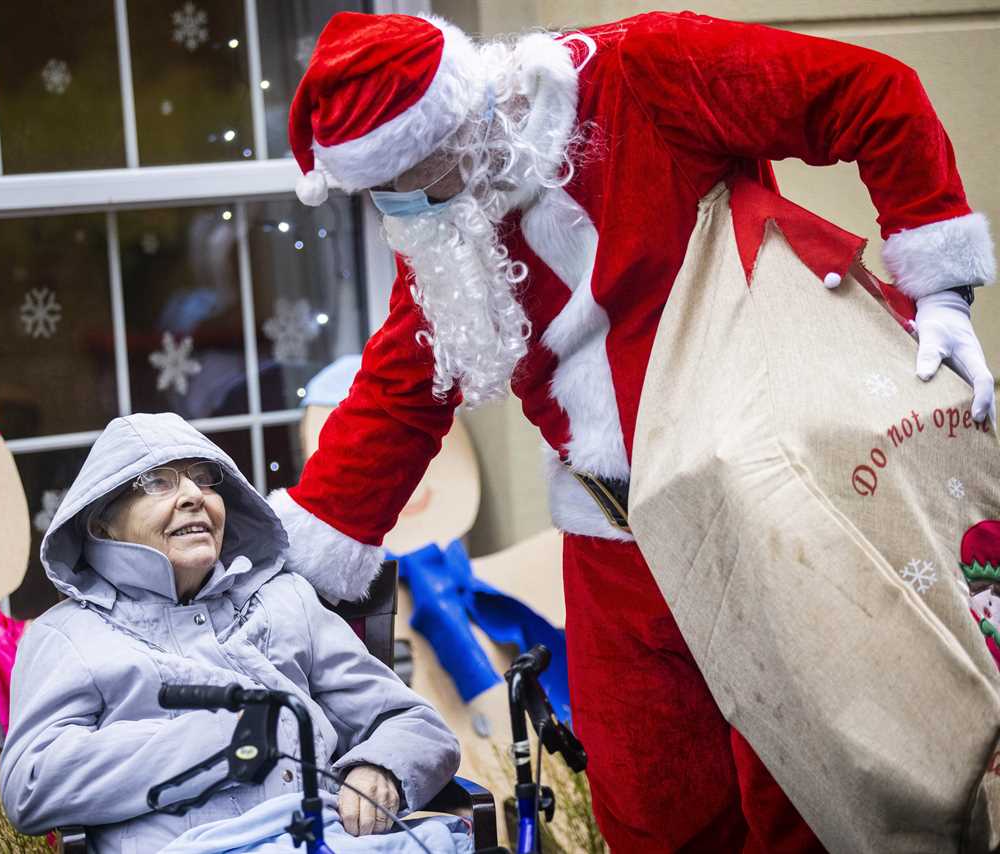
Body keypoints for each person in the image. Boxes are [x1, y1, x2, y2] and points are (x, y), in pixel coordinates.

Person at [269, 10, 997, 853]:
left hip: (765, 509)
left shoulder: (647, 70)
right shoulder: (448, 212)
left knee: (814, 791)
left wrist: (938, 283)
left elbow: (869, 93)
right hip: (613, 540)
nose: (396, 213)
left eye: (404, 182)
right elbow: (407, 382)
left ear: (455, 125)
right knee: (655, 810)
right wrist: (296, 562)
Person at [0, 413, 464, 854]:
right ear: (101, 524)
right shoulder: (68, 636)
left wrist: (380, 766)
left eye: (203, 478)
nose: (192, 496)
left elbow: (414, 724)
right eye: (158, 482)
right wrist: (224, 737)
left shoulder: (286, 600)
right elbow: (32, 783)